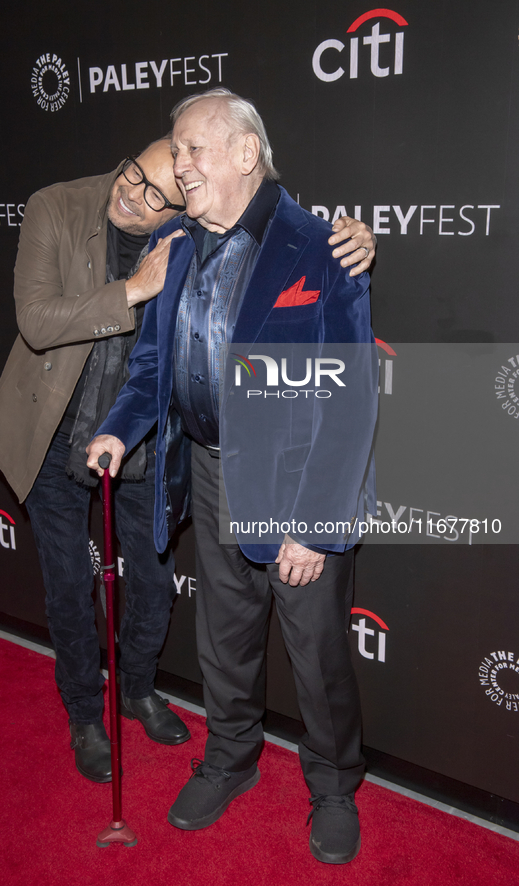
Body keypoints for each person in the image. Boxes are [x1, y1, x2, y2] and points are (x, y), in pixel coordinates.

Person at [0, 130, 374, 786]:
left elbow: (339, 379)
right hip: (56, 431)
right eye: (132, 175)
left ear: (181, 205)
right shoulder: (61, 206)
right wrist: (132, 290)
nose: (130, 197)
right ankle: (87, 712)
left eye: (157, 193)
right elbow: (43, 323)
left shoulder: (197, 236)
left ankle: (138, 689)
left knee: (162, 588)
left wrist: (353, 239)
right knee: (76, 587)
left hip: (156, 449)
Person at [87, 89, 377, 865]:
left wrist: (312, 522)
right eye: (175, 150)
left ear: (245, 154)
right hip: (210, 475)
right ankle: (229, 760)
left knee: (316, 656)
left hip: (295, 485)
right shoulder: (178, 243)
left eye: (191, 149)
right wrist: (119, 429)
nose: (178, 165)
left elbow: (348, 403)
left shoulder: (321, 247)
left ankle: (333, 787)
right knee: (225, 641)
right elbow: (152, 364)